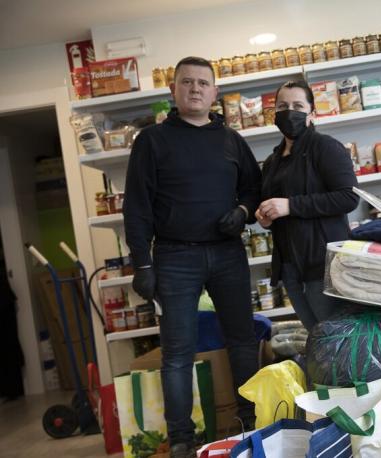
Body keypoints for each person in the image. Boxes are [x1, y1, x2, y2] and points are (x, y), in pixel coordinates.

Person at [123, 56, 261, 458]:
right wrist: (142, 264)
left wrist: (242, 212)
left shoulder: (231, 140)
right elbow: (137, 207)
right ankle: (182, 437)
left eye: (203, 83)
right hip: (173, 258)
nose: (195, 88)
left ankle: (250, 420)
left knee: (242, 340)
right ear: (173, 91)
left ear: (214, 92)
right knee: (177, 354)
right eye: (187, 82)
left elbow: (253, 190)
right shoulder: (152, 140)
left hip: (227, 254)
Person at [256, 80, 359, 332]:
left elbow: (348, 197)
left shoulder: (325, 147)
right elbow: (279, 210)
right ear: (274, 115)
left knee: (338, 342)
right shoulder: (272, 162)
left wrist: (291, 206)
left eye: (297, 105)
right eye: (282, 106)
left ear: (312, 114)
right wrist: (267, 217)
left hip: (324, 266)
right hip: (291, 269)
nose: (289, 111)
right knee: (319, 340)